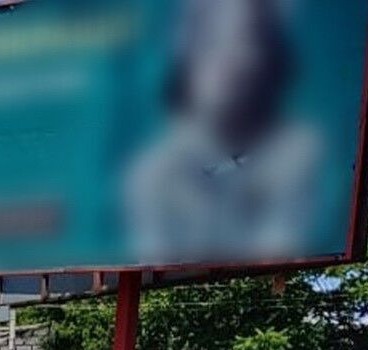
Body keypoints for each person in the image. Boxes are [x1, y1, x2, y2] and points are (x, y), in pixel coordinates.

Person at [124, 0, 321, 264]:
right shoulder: (155, 175)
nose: (232, 59)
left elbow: (278, 244)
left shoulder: (302, 155)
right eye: (212, 40)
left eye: (248, 38)